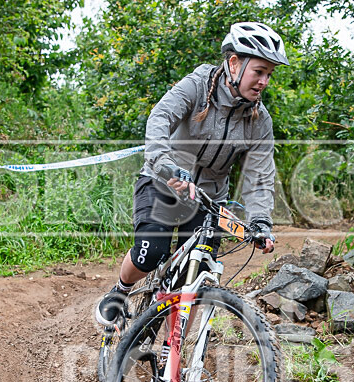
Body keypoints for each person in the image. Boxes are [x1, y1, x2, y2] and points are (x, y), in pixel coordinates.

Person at [96, 22, 289, 327]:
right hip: (165, 183)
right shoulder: (199, 85)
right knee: (151, 253)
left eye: (269, 74)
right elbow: (161, 117)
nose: (264, 81)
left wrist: (261, 222)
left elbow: (259, 177)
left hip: (208, 200)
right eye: (259, 71)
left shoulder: (258, 121)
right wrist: (164, 163)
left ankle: (173, 355)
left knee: (195, 280)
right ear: (235, 63)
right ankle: (120, 291)